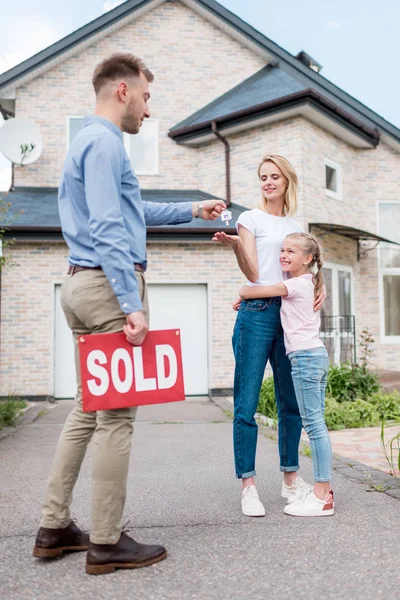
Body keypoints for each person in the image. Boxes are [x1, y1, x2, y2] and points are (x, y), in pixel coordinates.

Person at [32, 53, 226, 575]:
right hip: (106, 288)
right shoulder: (104, 143)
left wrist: (191, 209)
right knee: (117, 416)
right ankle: (107, 542)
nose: (147, 107)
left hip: (81, 285)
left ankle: (54, 528)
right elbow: (108, 228)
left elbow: (129, 213)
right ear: (122, 90)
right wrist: (131, 303)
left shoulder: (91, 144)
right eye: (145, 96)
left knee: (88, 410)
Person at [213, 155, 325, 517]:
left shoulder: (295, 223)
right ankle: (248, 486)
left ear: (286, 181)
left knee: (289, 403)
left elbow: (307, 264)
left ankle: (290, 479)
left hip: (289, 315)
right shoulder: (249, 218)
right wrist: (235, 247)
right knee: (245, 403)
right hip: (257, 314)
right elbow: (254, 270)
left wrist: (320, 284)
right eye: (263, 176)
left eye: (274, 176)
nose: (267, 182)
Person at [239, 232, 334, 517]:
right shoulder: (306, 283)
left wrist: (241, 294)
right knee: (317, 424)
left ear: (307, 259)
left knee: (314, 426)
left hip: (305, 358)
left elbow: (248, 291)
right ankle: (322, 493)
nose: (283, 255)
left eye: (290, 252)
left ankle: (321, 497)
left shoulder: (293, 285)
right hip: (316, 355)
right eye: (281, 250)